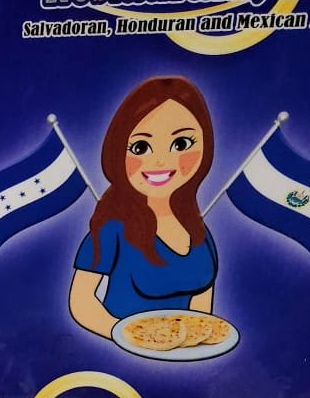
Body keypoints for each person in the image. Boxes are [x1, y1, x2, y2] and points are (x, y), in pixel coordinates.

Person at [68, 76, 218, 338]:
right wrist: (132, 338)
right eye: (140, 147)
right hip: (119, 353)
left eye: (181, 144)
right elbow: (82, 303)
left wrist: (192, 344)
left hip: (185, 355)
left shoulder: (200, 234)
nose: (160, 161)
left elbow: (201, 308)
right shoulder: (112, 229)